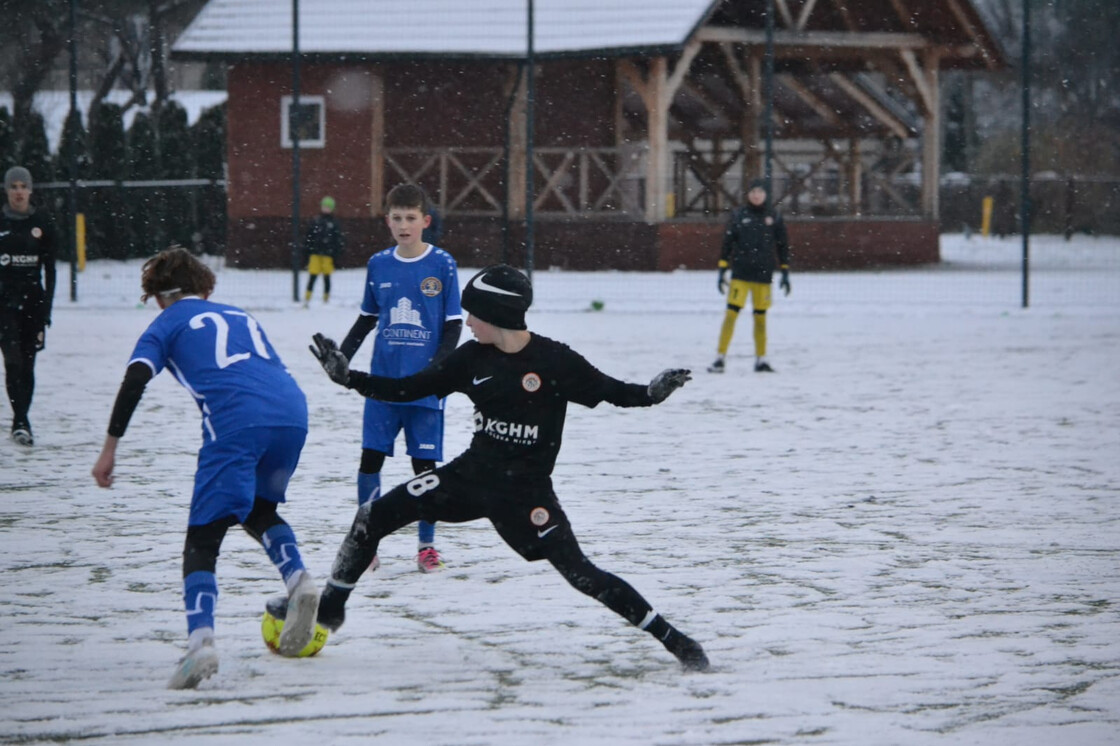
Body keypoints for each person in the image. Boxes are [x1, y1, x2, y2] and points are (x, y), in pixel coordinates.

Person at [275, 264, 709, 672]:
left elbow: (614, 391)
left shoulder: (555, 361)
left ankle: (677, 642)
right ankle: (332, 608)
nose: (466, 323)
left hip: (526, 493)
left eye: (472, 314)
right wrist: (350, 378)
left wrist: (651, 394)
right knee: (371, 517)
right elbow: (410, 389)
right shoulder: (471, 358)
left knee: (582, 574)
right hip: (467, 478)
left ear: (497, 315)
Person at [91, 247, 321, 689]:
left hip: (237, 419)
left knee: (204, 533)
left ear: (158, 298)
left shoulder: (164, 323)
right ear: (207, 287)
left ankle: (200, 644)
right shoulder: (240, 314)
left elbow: (135, 380)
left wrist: (109, 449)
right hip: (292, 411)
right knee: (257, 507)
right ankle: (300, 581)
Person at [337, 183, 461, 573]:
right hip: (382, 384)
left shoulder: (443, 263)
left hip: (425, 388)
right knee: (371, 458)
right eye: (396, 218)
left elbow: (454, 324)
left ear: (425, 221)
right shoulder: (378, 264)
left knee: (424, 469)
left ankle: (426, 546)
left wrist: (438, 369)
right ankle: (366, 540)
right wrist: (342, 356)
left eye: (411, 218)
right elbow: (367, 318)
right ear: (387, 220)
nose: (403, 225)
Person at [708, 179, 791, 374]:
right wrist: (722, 270)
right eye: (753, 191)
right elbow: (727, 244)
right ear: (748, 194)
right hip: (741, 274)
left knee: (760, 318)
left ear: (765, 195)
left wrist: (785, 271)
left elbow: (782, 245)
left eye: (760, 192)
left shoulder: (774, 216)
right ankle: (720, 358)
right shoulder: (739, 215)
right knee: (731, 315)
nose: (756, 195)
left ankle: (761, 359)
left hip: (763, 276)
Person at [0, 166, 56, 446]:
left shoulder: (42, 221)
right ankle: (21, 421)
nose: (19, 191)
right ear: (7, 190)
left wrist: (47, 309)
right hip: (4, 304)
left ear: (30, 190)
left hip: (33, 303)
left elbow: (51, 269)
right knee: (12, 362)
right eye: (14, 186)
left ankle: (21, 419)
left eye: (23, 186)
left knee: (28, 366)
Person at [303, 195, 344, 307]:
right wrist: (308, 250)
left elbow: (337, 239)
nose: (326, 209)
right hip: (315, 254)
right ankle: (307, 298)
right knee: (313, 276)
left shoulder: (334, 223)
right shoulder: (316, 221)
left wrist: (335, 253)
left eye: (328, 207)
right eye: (324, 206)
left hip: (328, 255)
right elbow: (309, 237)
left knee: (327, 277)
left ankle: (326, 299)